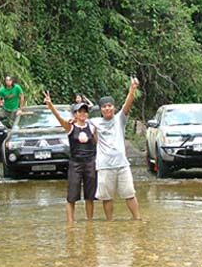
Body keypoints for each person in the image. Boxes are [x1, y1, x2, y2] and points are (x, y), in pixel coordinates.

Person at [92, 77, 141, 221]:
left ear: (114, 107)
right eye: (104, 106)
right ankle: (110, 222)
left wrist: (132, 89)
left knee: (130, 194)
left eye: (110, 106)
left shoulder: (120, 119)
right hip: (104, 166)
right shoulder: (95, 122)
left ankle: (137, 219)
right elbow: (82, 127)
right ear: (100, 110)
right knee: (106, 197)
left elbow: (127, 105)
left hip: (122, 164)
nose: (107, 108)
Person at [44, 91, 98, 222]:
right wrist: (51, 106)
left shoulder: (92, 127)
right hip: (75, 163)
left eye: (85, 111)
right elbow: (59, 118)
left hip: (90, 163)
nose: (83, 114)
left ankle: (90, 222)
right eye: (80, 111)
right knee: (72, 195)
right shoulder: (70, 127)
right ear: (75, 114)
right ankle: (70, 224)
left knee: (90, 196)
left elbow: (97, 143)